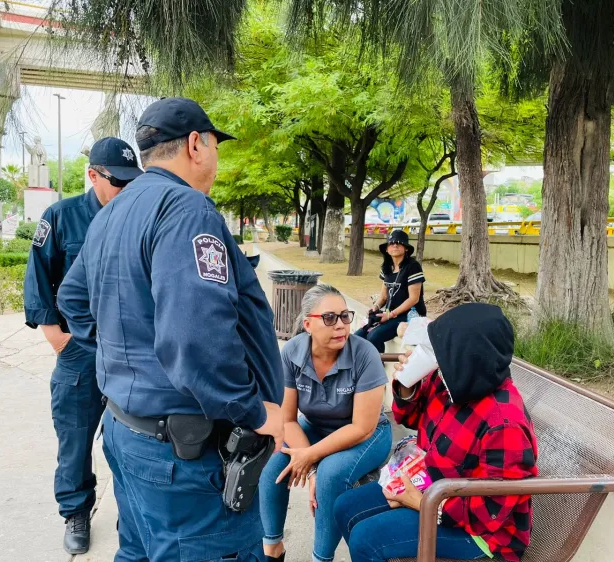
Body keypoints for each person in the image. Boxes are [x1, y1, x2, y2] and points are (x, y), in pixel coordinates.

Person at [56, 97, 285, 562]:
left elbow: (73, 300)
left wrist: (127, 354)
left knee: (138, 551)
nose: (217, 159)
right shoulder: (187, 209)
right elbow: (196, 338)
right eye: (217, 146)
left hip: (130, 435)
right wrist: (255, 412)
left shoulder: (114, 211)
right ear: (197, 144)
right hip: (185, 455)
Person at [334, 303, 538, 562]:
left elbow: (490, 512)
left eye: (443, 352)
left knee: (367, 539)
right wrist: (408, 383)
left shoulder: (505, 424)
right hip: (434, 486)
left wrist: (418, 502)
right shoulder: (453, 380)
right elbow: (408, 417)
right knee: (345, 507)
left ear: (467, 357)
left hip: (484, 536)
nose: (436, 359)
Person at [23, 137, 144, 554]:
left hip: (130, 348)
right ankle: (76, 510)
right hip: (80, 349)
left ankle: (132, 511)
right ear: (93, 175)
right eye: (118, 181)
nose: (126, 189)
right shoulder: (63, 216)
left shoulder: (140, 216)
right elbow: (38, 276)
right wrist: (55, 334)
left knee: (135, 434)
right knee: (75, 435)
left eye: (133, 181)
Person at [260, 285, 392, 562]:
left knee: (330, 475)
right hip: (316, 427)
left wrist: (312, 459)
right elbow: (287, 419)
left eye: (345, 316)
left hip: (367, 435)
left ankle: (322, 558)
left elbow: (361, 427)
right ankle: (272, 548)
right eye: (330, 318)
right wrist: (310, 469)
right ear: (308, 324)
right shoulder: (293, 352)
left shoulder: (364, 354)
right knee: (273, 460)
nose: (341, 325)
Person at [355, 230, 426, 353]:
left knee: (374, 337)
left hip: (408, 315)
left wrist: (390, 315)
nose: (395, 245)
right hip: (389, 314)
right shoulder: (387, 267)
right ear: (387, 249)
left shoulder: (413, 266)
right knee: (358, 336)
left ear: (406, 249)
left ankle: (377, 367)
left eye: (399, 243)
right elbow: (383, 296)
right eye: (391, 243)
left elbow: (414, 298)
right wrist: (375, 307)